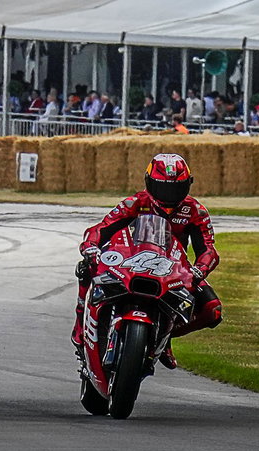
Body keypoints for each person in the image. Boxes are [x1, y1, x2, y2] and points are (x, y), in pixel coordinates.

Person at [73, 153, 222, 370]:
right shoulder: (135, 203)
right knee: (86, 269)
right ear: (149, 183)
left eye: (176, 188)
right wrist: (90, 248)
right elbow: (100, 229)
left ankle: (165, 336)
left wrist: (200, 270)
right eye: (163, 187)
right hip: (128, 260)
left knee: (212, 310)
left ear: (188, 185)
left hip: (173, 269)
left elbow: (208, 250)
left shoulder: (195, 211)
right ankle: (80, 328)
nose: (169, 195)